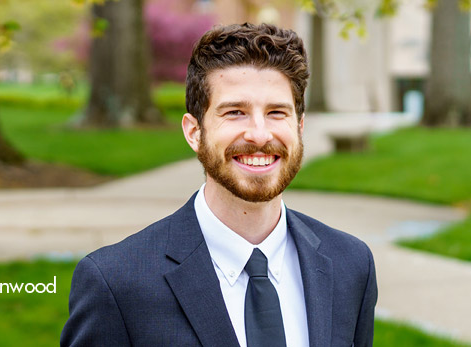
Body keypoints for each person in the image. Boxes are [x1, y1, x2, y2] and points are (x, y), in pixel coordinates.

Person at [60, 22, 377, 347]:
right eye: (235, 112)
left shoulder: (351, 265)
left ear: (299, 126)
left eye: (276, 112)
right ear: (194, 132)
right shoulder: (116, 283)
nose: (259, 134)